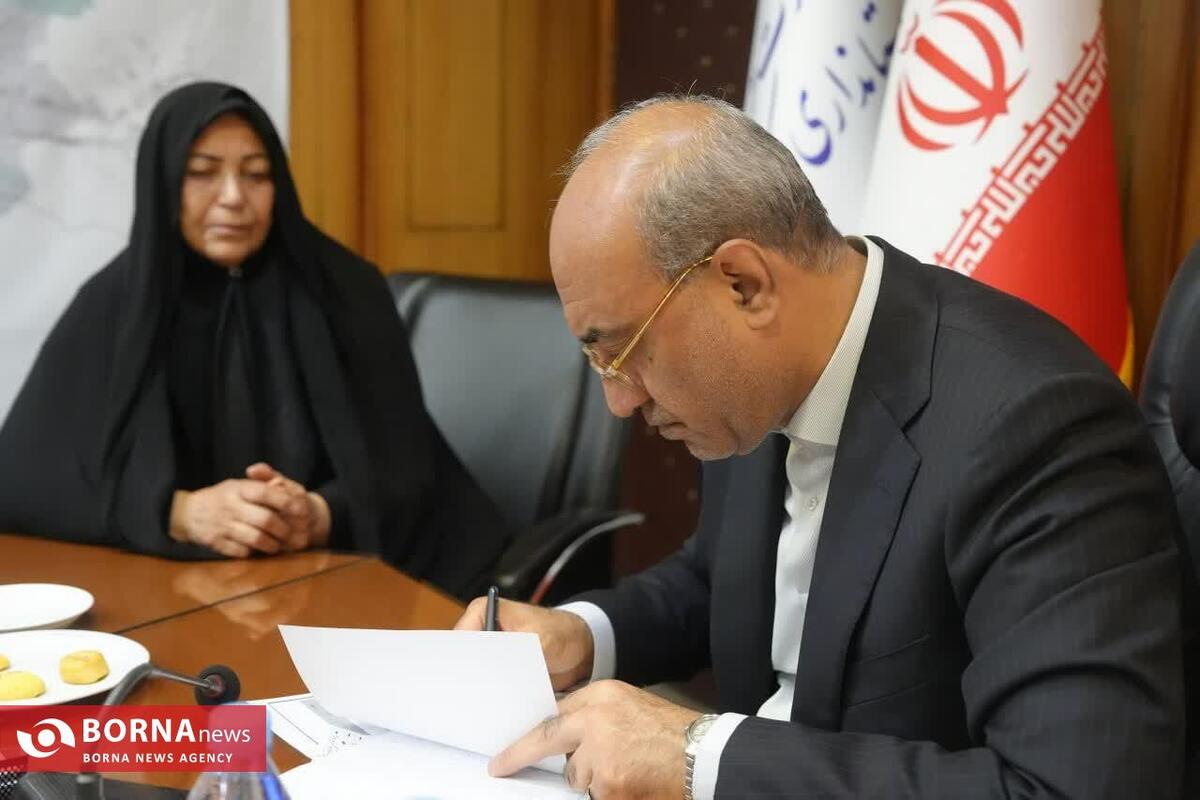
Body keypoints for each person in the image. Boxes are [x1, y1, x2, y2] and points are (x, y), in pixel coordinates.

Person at [456, 95, 1198, 798]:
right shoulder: (751, 381)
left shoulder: (1033, 428)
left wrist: (695, 758)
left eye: (624, 350)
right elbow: (720, 580)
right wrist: (585, 637)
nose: (621, 401)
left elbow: (1070, 787)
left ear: (744, 284)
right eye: (598, 361)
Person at [0, 82, 511, 599]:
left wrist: (316, 514)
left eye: (256, 174)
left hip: (335, 585)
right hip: (170, 593)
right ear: (164, 181)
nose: (233, 197)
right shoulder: (117, 303)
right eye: (202, 173)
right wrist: (182, 512)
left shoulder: (345, 288)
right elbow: (26, 479)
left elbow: (407, 467)